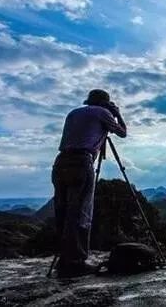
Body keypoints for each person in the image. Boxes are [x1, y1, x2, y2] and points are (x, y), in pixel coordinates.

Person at [52, 89, 127, 278]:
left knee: (63, 212)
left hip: (60, 163)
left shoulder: (74, 113)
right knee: (80, 213)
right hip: (81, 162)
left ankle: (63, 259)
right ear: (105, 103)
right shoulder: (103, 113)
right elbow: (123, 133)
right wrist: (116, 113)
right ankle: (75, 262)